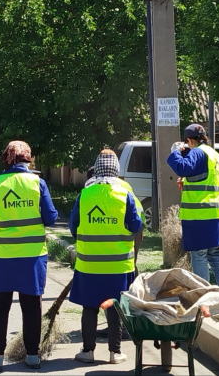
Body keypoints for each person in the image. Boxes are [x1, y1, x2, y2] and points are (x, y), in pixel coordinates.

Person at [0, 141, 58, 372]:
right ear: (28, 159)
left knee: (0, 307)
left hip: (3, 258)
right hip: (32, 258)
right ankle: (33, 356)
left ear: (7, 159)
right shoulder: (38, 183)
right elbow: (50, 218)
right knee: (31, 307)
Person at [69, 149, 143, 364]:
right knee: (115, 306)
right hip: (119, 265)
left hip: (89, 264)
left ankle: (87, 351)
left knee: (89, 306)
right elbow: (136, 225)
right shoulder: (124, 193)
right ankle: (115, 353)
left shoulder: (85, 193)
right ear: (116, 169)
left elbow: (74, 226)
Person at [167, 124, 219, 299]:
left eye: (186, 143)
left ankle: (203, 295)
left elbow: (182, 168)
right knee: (215, 254)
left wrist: (175, 152)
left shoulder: (197, 152)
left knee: (198, 255)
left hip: (201, 215)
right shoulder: (215, 155)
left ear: (189, 140)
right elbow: (200, 177)